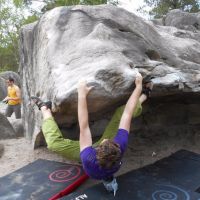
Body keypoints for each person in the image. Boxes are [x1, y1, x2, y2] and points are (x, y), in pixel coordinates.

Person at [31, 73, 153, 195]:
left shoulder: (88, 157)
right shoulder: (119, 147)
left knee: (53, 144)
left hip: (90, 158)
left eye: (104, 142)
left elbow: (84, 126)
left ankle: (44, 109)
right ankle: (145, 95)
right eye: (108, 141)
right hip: (104, 159)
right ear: (117, 147)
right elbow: (127, 113)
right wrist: (139, 90)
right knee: (121, 114)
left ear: (97, 150)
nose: (105, 140)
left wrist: (82, 95)